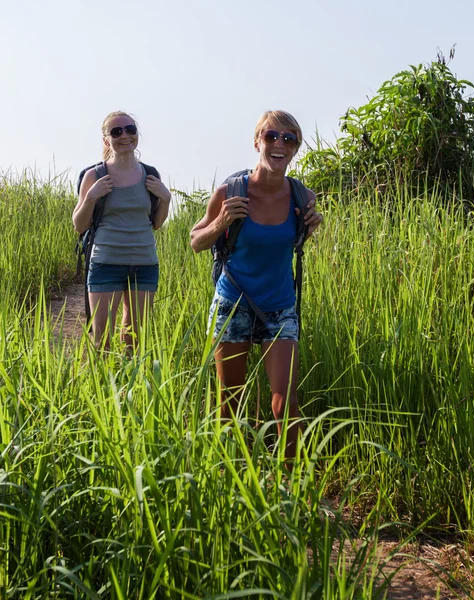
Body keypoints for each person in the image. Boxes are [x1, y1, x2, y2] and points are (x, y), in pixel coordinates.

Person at [190, 110, 323, 461]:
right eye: (271, 136)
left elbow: (296, 239)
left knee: (286, 401)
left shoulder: (302, 197)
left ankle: (292, 487)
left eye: (289, 139)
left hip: (279, 305)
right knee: (230, 400)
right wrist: (220, 221)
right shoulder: (231, 191)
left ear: (296, 149)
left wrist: (311, 226)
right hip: (232, 302)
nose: (279, 144)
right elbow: (196, 241)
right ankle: (227, 480)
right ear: (257, 142)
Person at [72, 111, 171, 350]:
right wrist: (91, 197)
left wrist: (166, 199)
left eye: (130, 129)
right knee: (101, 341)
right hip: (106, 262)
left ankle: (130, 387)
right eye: (116, 132)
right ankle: (101, 388)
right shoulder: (94, 175)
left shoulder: (150, 174)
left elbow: (156, 223)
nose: (125, 135)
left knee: (134, 341)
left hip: (144, 264)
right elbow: (79, 224)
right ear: (106, 140)